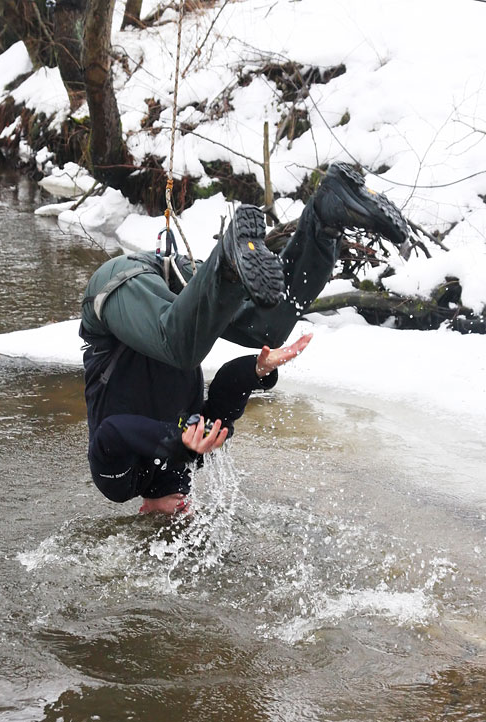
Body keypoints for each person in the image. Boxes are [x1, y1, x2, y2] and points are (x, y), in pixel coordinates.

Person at [79, 163, 408, 515]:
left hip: (113, 293)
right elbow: (224, 391)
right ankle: (326, 218)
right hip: (180, 286)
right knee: (268, 327)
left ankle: (228, 263)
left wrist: (179, 441)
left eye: (174, 520)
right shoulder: (194, 451)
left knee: (178, 347)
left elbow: (112, 433)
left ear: (144, 513)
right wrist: (257, 369)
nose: (185, 512)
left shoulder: (121, 484)